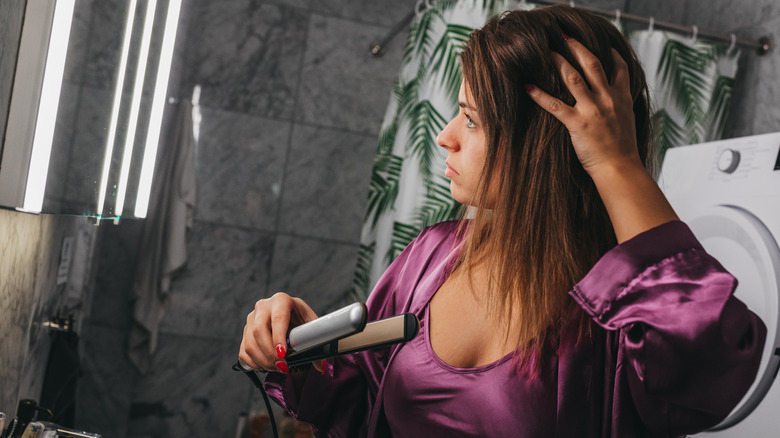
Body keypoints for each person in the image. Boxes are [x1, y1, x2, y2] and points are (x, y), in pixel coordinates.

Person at [239, 5, 766, 437]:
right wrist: (303, 352)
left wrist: (615, 163)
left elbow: (714, 365)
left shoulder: (619, 309)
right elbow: (361, 405)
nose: (446, 136)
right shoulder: (430, 256)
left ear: (544, 143)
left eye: (471, 119)